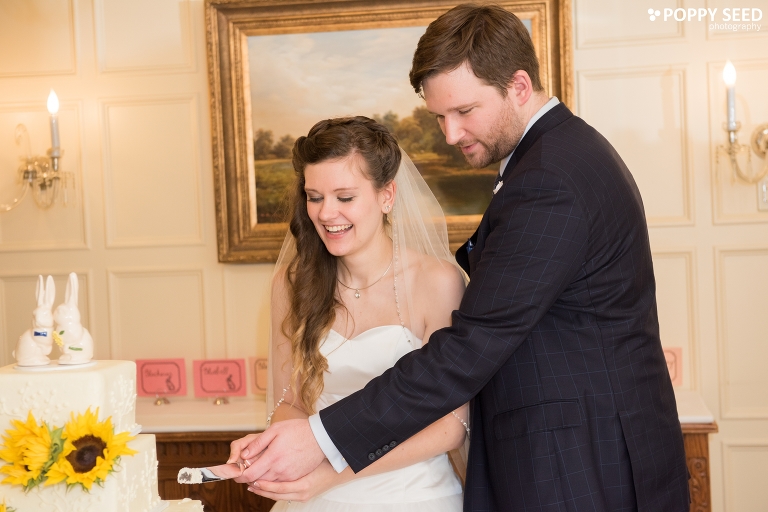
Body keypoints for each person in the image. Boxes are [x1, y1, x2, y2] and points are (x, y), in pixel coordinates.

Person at [231, 4, 690, 511]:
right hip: (582, 452)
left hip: (580, 463)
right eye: (439, 117)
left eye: (464, 112)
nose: (450, 135)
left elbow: (472, 346)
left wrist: (322, 439)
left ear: (519, 86)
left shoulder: (548, 179)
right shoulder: (557, 156)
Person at [232, 116, 469, 510]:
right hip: (313, 497)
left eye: (344, 198)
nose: (326, 214)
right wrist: (270, 451)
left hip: (413, 496)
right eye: (314, 197)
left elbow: (451, 426)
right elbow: (291, 402)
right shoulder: (290, 286)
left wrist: (329, 474)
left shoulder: (438, 282)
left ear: (387, 196)